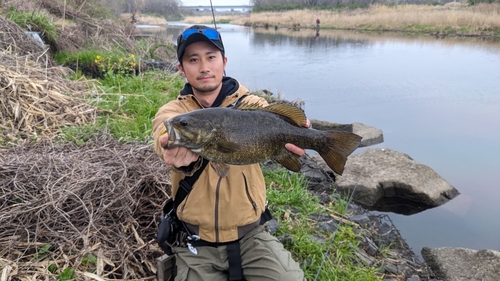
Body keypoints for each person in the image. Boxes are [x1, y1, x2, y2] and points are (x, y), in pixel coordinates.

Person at [152, 25, 307, 281]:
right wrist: (169, 146)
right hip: (195, 239)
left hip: (251, 234)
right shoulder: (174, 113)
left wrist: (298, 131)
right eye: (193, 59)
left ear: (224, 62)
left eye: (211, 57)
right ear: (181, 68)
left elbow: (271, 116)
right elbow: (163, 131)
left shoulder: (253, 105)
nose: (204, 67)